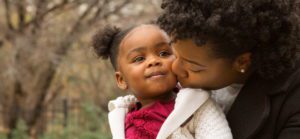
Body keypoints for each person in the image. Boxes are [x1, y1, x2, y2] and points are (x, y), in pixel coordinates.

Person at [157, 0, 300, 139]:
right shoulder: (195, 45)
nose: (174, 68)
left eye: (193, 67)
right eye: (174, 53)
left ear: (242, 62)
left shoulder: (292, 105)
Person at [92, 24, 232, 139]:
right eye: (139, 59)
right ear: (121, 80)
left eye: (164, 53)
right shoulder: (122, 119)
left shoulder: (196, 105)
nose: (154, 61)